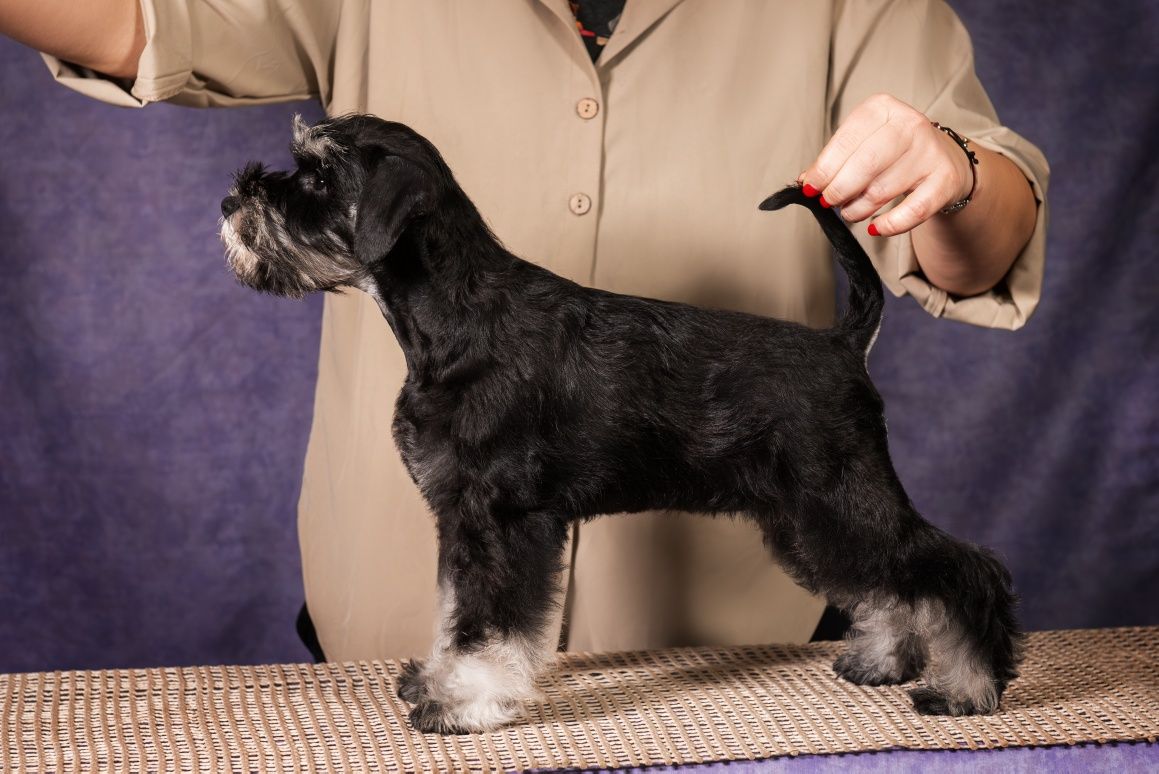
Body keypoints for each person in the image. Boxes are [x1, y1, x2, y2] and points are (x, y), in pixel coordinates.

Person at [1, 0, 1048, 663]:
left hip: (741, 665)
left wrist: (952, 169)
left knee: (866, 537)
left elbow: (984, 235)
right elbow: (131, 19)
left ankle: (965, 599)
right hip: (377, 640)